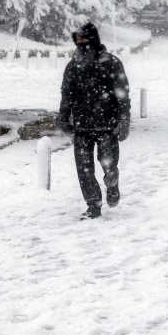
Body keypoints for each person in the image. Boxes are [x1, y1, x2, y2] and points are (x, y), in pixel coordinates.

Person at [57, 22, 131, 219]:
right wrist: (63, 117)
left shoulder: (112, 63)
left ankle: (112, 183)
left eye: (86, 42)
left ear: (95, 42)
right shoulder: (73, 67)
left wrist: (124, 120)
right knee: (84, 170)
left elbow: (122, 94)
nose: (83, 47)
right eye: (79, 42)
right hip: (81, 127)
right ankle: (93, 205)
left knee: (108, 164)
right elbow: (67, 95)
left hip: (107, 126)